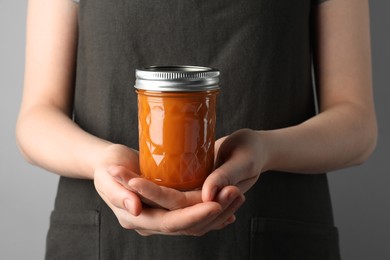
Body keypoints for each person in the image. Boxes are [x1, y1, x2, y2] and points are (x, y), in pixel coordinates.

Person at [16, 0, 377, 259]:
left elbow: (357, 125)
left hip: (273, 236)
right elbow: (36, 117)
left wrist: (266, 150)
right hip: (102, 238)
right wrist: (102, 162)